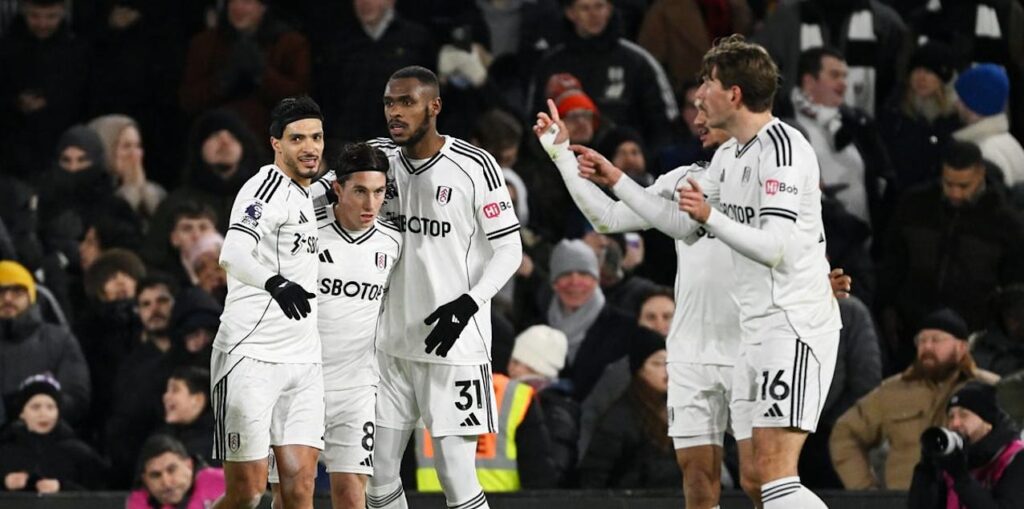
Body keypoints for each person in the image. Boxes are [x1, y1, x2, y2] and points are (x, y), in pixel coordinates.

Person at [312, 66, 522, 509]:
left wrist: (468, 304)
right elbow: (316, 199)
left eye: (407, 102)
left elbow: (510, 249)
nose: (395, 112)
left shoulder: (475, 166)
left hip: (454, 347)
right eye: (389, 102)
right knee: (377, 475)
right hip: (389, 347)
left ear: (434, 106)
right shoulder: (376, 160)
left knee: (455, 474)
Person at [678, 35, 842, 508]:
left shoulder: (784, 149)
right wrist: (613, 179)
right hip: (755, 330)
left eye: (707, 83)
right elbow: (678, 220)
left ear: (734, 94)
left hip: (793, 323)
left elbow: (776, 248)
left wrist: (711, 216)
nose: (698, 95)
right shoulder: (731, 155)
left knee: (773, 471)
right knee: (754, 477)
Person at [270, 141, 401, 509]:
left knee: (351, 494)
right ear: (337, 189)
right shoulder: (305, 232)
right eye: (359, 191)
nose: (371, 203)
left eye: (379, 192)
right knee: (294, 492)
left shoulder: (393, 242)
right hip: (298, 383)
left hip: (356, 388)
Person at [211, 96, 324, 509]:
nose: (309, 147)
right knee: (247, 493)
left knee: (300, 489)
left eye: (316, 137)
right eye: (297, 138)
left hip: (304, 360)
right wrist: (275, 283)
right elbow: (232, 253)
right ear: (276, 143)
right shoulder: (264, 190)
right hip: (251, 357)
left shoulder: (309, 193)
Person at [877, 140, 1024, 371]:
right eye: (949, 184)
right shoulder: (914, 206)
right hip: (912, 329)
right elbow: (893, 262)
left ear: (980, 174)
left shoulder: (1006, 223)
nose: (955, 192)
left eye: (964, 186)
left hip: (975, 335)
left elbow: (1014, 283)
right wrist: (887, 307)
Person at [830, 309, 1000, 490]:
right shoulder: (892, 391)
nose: (927, 347)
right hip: (906, 498)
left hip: (967, 497)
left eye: (936, 340)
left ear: (962, 347)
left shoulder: (989, 387)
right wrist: (866, 490)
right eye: (921, 341)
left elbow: (1012, 442)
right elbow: (845, 433)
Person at [578, 333, 679, 488]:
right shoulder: (620, 419)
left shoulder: (675, 409)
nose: (667, 371)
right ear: (639, 369)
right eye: (658, 364)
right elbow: (594, 476)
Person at [0, 260, 90, 425]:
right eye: (0, 292)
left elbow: (76, 397)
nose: (7, 298)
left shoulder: (59, 339)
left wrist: (37, 409)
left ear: (31, 296)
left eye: (17, 291)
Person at [908, 382, 1024, 508]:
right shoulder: (951, 459)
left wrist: (962, 478)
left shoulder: (1015, 457)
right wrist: (926, 469)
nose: (954, 423)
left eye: (964, 415)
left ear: (987, 423)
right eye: (951, 416)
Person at [0, 375, 107, 492]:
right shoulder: (5, 451)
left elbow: (101, 494)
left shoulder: (79, 453)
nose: (43, 414)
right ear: (22, 413)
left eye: (50, 407)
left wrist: (62, 488)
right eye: (35, 407)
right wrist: (5, 483)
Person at [952, 63, 1024, 188]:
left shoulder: (983, 152)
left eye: (961, 98)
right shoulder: (1011, 143)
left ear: (973, 102)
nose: (956, 104)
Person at [87, 114, 167, 219]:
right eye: (126, 146)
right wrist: (131, 190)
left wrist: (143, 191)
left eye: (138, 146)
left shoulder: (156, 193)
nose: (135, 154)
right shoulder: (88, 193)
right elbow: (112, 225)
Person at [127, 434, 225, 509]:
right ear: (145, 480)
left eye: (172, 470)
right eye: (155, 475)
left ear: (189, 465)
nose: (166, 483)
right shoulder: (140, 502)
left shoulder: (225, 481)